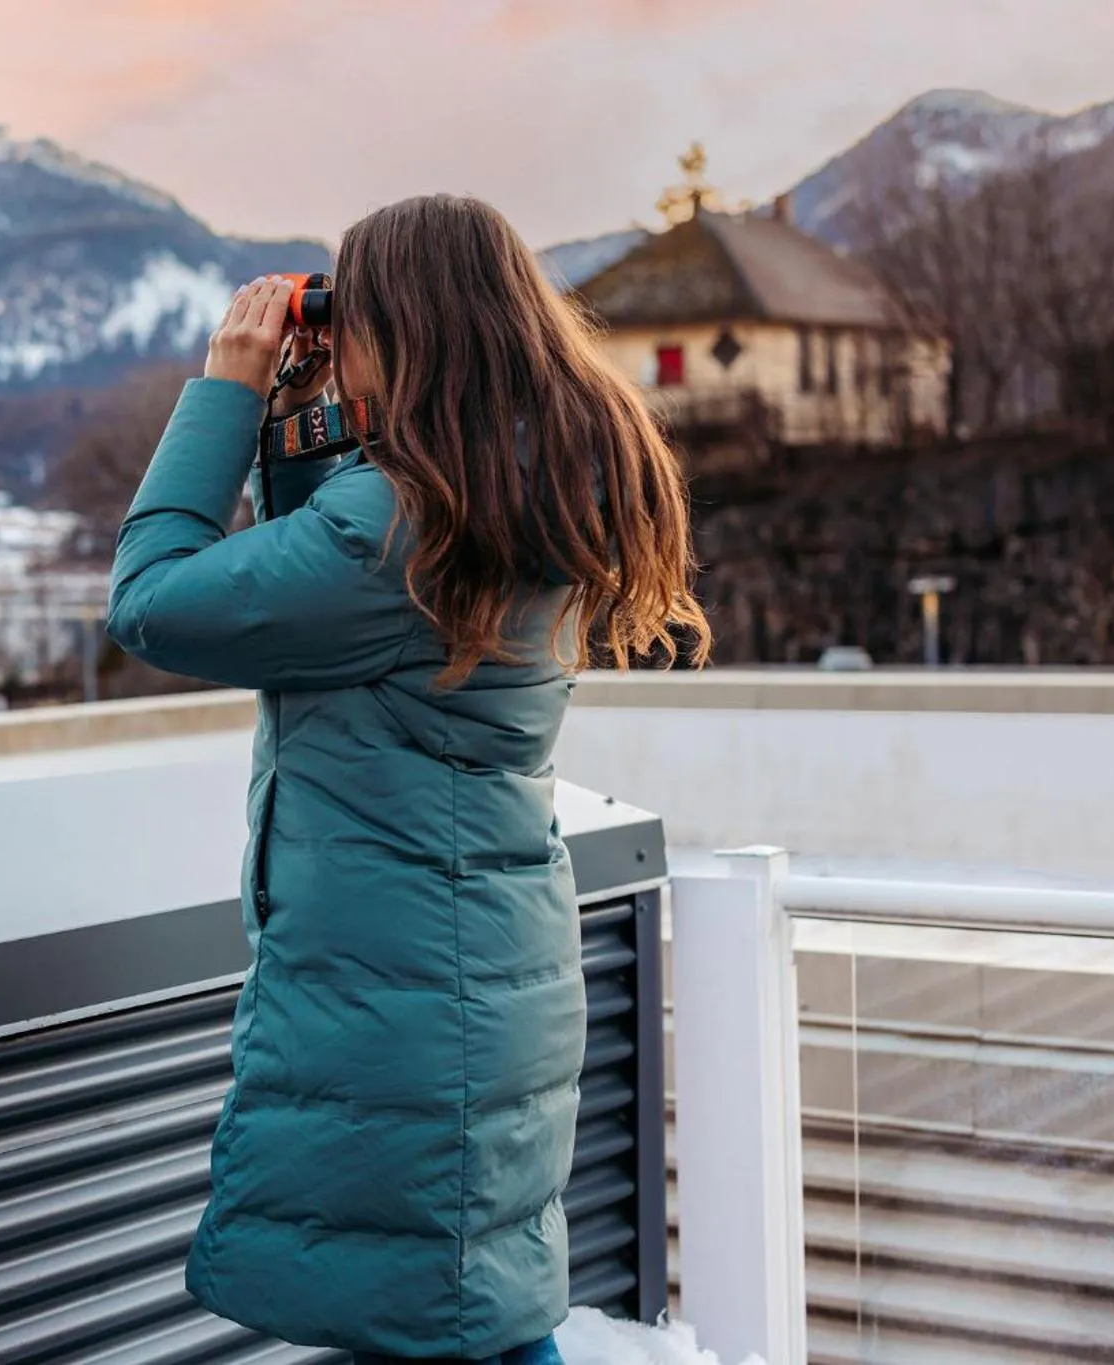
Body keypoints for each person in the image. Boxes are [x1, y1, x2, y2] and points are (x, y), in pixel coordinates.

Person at [105, 194, 709, 1364]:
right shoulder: (502, 487)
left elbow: (152, 602)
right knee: (465, 1310)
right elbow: (317, 597)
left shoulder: (404, 524)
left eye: (356, 320)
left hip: (402, 1004)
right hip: (470, 970)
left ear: (406, 333)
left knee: (429, 1320)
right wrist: (307, 421)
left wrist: (228, 388)